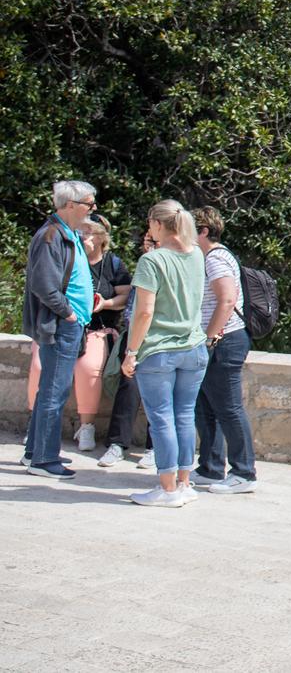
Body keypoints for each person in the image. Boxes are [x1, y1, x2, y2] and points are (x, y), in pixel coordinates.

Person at [120, 199, 209, 506]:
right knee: (184, 416)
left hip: (159, 350)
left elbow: (144, 312)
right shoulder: (197, 253)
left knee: (161, 420)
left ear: (158, 224)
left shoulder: (153, 261)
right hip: (194, 347)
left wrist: (131, 351)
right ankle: (184, 483)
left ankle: (167, 488)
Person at [26, 215, 127, 455]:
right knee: (39, 366)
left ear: (102, 238)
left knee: (89, 368)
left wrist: (106, 303)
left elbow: (127, 295)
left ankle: (86, 426)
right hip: (61, 325)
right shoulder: (68, 255)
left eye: (89, 233)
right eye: (80, 232)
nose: (83, 237)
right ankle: (36, 425)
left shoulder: (113, 263)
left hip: (95, 328)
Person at [22, 180, 99, 478]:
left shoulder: (67, 234)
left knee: (50, 391)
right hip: (60, 325)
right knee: (54, 391)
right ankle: (44, 459)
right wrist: (67, 313)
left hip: (70, 324)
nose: (92, 210)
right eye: (88, 204)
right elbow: (42, 284)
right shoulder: (51, 236)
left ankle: (35, 453)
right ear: (70, 205)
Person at [190, 206, 257, 494]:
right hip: (217, 340)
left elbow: (227, 300)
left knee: (229, 408)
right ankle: (211, 467)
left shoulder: (216, 259)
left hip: (225, 341)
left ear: (204, 231)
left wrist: (209, 337)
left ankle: (244, 472)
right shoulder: (207, 258)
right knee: (206, 407)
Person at [100, 229, 153, 468]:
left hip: (160, 342)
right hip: (134, 338)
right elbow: (133, 310)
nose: (147, 244)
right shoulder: (144, 266)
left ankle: (155, 448)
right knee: (128, 388)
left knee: (160, 394)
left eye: (152, 240)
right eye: (145, 240)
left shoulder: (171, 265)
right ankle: (117, 444)